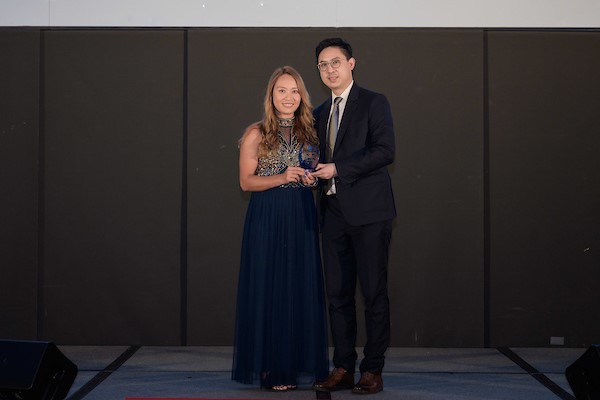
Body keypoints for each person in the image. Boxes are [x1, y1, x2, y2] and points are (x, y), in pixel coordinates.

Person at [232, 66, 329, 392]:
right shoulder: (256, 133)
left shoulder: (311, 133)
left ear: (302, 96)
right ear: (271, 96)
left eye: (294, 91)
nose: (289, 97)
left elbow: (314, 174)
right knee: (269, 289)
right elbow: (246, 182)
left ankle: (295, 364)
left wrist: (311, 180)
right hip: (267, 217)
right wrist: (282, 176)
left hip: (300, 216)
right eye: (282, 91)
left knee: (297, 288)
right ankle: (270, 368)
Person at [311, 38, 397, 395]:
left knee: (374, 293)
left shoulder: (374, 102)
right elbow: (313, 159)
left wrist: (338, 168)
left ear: (351, 63)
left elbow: (385, 151)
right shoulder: (318, 112)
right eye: (323, 65)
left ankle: (372, 369)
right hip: (332, 215)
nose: (329, 69)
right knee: (337, 296)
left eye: (335, 62)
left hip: (370, 214)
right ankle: (343, 367)